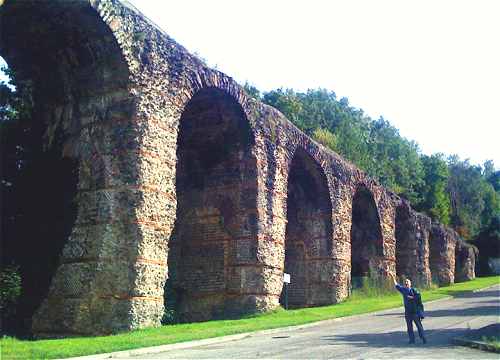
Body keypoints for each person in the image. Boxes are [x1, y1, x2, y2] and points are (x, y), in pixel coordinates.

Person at [390, 273, 426, 344]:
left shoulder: (414, 290)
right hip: (408, 312)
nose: (406, 283)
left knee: (419, 326)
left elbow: (419, 298)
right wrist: (392, 276)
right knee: (409, 327)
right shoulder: (403, 290)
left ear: (410, 284)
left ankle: (423, 338)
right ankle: (412, 340)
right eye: (405, 282)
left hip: (415, 312)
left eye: (407, 282)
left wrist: (412, 298)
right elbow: (396, 285)